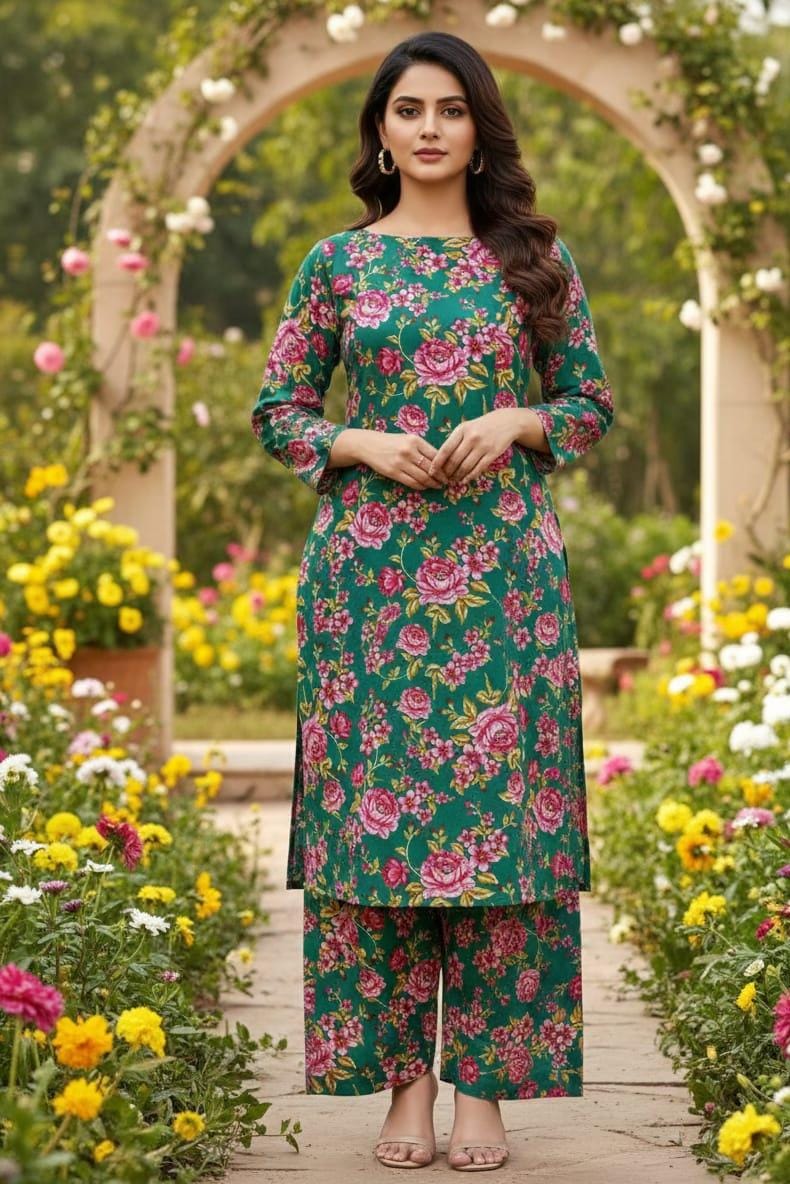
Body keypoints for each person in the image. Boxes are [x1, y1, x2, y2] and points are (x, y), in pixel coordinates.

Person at [251, 29, 615, 1173]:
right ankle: (403, 1088)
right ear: (379, 129)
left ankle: (485, 1095)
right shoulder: (336, 265)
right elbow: (279, 408)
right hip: (367, 586)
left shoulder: (534, 261)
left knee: (505, 830)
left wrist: (517, 420)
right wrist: (358, 440)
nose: (427, 128)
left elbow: (588, 403)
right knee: (381, 830)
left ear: (478, 128)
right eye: (407, 109)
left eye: (450, 109)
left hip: (504, 581)